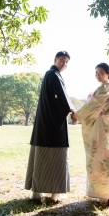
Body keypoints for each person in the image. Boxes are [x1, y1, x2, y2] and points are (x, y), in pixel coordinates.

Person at [25, 51, 77, 202]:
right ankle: (54, 193)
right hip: (52, 125)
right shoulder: (52, 74)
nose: (64, 63)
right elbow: (62, 96)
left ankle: (37, 192)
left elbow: (60, 97)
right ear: (55, 60)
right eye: (61, 60)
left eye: (67, 61)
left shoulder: (52, 75)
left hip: (45, 124)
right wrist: (72, 110)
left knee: (42, 158)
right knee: (56, 158)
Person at [75, 62, 109, 205]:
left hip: (102, 130)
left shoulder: (105, 91)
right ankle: (108, 194)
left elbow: (93, 107)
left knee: (101, 160)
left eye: (101, 72)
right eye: (96, 72)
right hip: (108, 130)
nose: (98, 75)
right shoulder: (106, 90)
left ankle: (105, 194)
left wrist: (77, 115)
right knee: (106, 160)